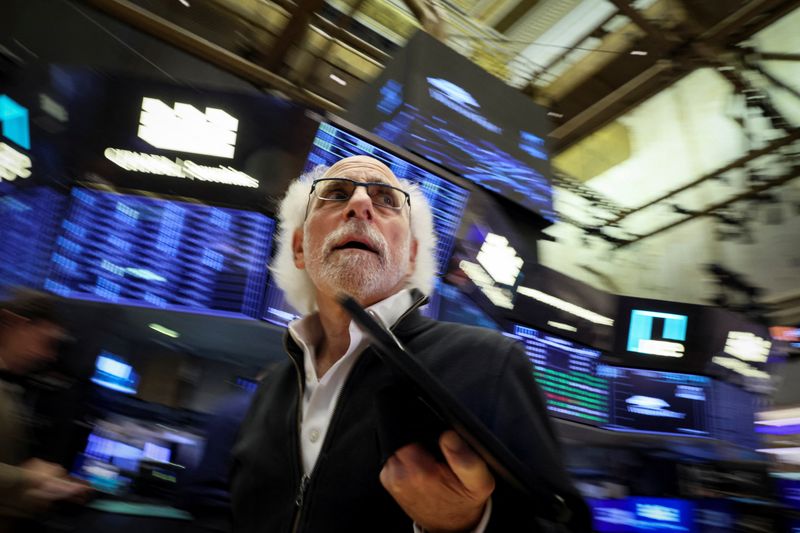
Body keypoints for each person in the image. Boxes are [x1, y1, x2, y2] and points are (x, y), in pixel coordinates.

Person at [231, 156, 589, 532]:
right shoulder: (271, 388)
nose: (360, 204)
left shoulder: (488, 363)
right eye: (336, 194)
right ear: (300, 247)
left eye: (386, 200)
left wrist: (466, 525)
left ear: (411, 257)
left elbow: (563, 524)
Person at [0, 289, 89, 530]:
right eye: (46, 342)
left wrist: (42, 489)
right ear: (15, 324)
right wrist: (29, 477)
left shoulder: (11, 384)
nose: (48, 356)